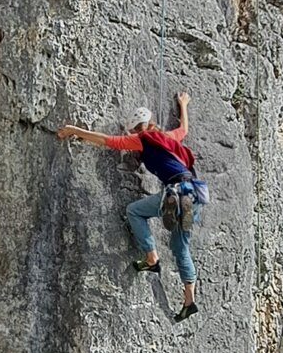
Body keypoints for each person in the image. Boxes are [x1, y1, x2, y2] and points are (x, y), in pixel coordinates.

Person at [55, 92, 202, 321]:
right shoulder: (167, 138)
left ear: (136, 129)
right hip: (194, 193)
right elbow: (183, 130)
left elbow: (108, 141)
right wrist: (183, 105)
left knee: (134, 211)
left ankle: (151, 258)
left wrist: (75, 130)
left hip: (176, 190)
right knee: (180, 246)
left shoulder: (142, 138)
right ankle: (189, 299)